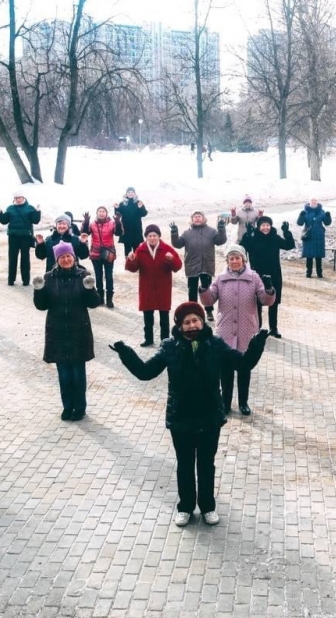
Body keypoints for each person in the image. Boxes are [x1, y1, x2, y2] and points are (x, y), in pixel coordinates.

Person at [110, 302, 268, 527]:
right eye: (187, 322)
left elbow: (243, 364)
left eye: (196, 320)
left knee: (206, 464)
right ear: (179, 325)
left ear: (203, 322)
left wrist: (256, 343)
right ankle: (185, 507)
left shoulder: (216, 345)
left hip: (209, 416)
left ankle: (208, 507)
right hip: (181, 418)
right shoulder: (169, 347)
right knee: (184, 464)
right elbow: (145, 372)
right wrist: (126, 353)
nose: (192, 325)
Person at [198, 245, 275, 416]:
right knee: (225, 368)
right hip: (225, 329)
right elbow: (209, 300)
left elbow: (265, 300)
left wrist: (269, 289)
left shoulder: (253, 278)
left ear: (243, 259)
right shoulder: (220, 279)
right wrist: (203, 288)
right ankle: (225, 403)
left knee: (244, 368)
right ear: (227, 261)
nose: (234, 261)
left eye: (237, 257)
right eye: (231, 258)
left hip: (246, 328)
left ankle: (243, 403)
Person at [33, 241, 101, 421]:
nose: (66, 259)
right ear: (57, 259)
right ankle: (67, 406)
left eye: (68, 256)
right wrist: (38, 290)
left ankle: (80, 407)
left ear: (74, 257)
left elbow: (94, 303)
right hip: (57, 332)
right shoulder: (49, 277)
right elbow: (41, 306)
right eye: (62, 257)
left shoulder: (83, 275)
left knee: (78, 373)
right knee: (63, 374)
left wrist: (90, 289)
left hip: (79, 331)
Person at [125, 225, 183, 347]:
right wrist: (131, 260)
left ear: (159, 236)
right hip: (146, 287)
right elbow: (133, 268)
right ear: (146, 237)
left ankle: (165, 340)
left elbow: (177, 267)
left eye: (154, 236)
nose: (152, 238)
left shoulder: (167, 249)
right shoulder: (140, 249)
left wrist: (171, 259)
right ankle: (148, 338)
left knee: (164, 317)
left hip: (163, 287)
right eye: (149, 236)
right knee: (148, 316)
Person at [240, 216, 295, 338]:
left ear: (270, 226)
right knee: (257, 302)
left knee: (273, 301)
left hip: (274, 273)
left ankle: (273, 328)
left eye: (267, 225)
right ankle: (257, 328)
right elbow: (242, 248)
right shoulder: (253, 239)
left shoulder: (274, 238)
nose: (265, 228)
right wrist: (247, 235)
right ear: (259, 227)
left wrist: (287, 232)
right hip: (257, 274)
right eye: (263, 225)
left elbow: (289, 245)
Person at [170, 211, 226, 321]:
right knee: (192, 290)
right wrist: (174, 232)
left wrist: (221, 228)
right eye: (195, 217)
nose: (197, 218)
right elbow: (178, 244)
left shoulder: (211, 231)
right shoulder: (187, 233)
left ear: (203, 218)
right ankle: (192, 312)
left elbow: (221, 240)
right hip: (192, 265)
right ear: (192, 219)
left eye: (199, 216)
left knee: (207, 289)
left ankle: (209, 311)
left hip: (206, 265)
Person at [0, 191, 41, 287]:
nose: (18, 199)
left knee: (25, 258)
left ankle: (25, 280)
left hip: (25, 236)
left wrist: (37, 212)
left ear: (23, 197)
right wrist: (0, 213)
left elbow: (35, 220)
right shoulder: (10, 208)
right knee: (12, 258)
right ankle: (11, 280)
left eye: (19, 197)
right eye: (16, 198)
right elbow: (4, 221)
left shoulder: (29, 208)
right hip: (13, 236)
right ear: (14, 199)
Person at [81, 207, 121, 308]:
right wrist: (86, 222)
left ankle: (109, 299)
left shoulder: (112, 223)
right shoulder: (92, 224)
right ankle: (100, 298)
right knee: (98, 276)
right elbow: (85, 233)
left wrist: (118, 222)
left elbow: (119, 233)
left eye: (103, 211)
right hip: (96, 253)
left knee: (109, 276)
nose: (101, 213)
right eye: (100, 211)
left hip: (108, 253)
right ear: (97, 213)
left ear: (106, 213)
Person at [297, 198, 332, 278]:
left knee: (318, 256)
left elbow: (327, 223)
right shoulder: (305, 211)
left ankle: (319, 272)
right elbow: (300, 223)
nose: (313, 202)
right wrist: (301, 216)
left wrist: (328, 216)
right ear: (309, 202)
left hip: (319, 235)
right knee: (309, 255)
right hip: (308, 235)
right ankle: (308, 272)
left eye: (315, 200)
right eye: (312, 200)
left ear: (317, 202)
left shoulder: (321, 211)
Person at [115, 188, 148, 257]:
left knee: (137, 249)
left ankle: (137, 264)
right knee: (127, 249)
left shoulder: (138, 202)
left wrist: (141, 207)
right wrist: (117, 208)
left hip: (136, 230)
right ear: (126, 194)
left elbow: (144, 214)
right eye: (129, 192)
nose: (130, 193)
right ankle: (128, 264)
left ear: (134, 193)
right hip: (126, 230)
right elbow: (118, 214)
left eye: (132, 192)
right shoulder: (122, 203)